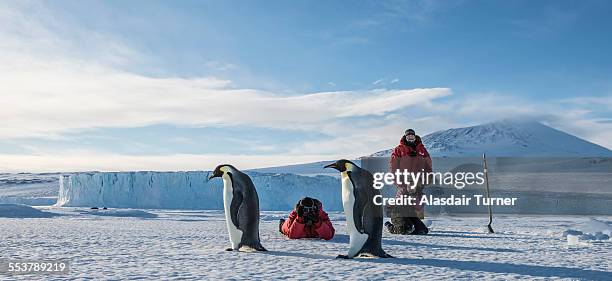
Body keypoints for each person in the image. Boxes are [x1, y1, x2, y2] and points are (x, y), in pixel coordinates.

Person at [385, 128, 432, 235]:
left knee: (422, 231)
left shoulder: (422, 150)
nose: (410, 138)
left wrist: (424, 180)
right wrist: (399, 181)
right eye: (408, 136)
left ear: (415, 137)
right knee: (405, 228)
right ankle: (391, 225)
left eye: (412, 136)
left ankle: (411, 222)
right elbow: (393, 166)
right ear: (405, 137)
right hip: (399, 211)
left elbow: (428, 165)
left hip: (411, 210)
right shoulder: (399, 150)